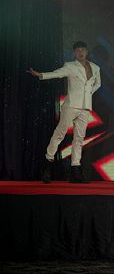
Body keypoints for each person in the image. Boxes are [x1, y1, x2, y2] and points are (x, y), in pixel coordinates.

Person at [28, 41, 101, 183]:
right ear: (74, 53)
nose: (80, 52)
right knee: (59, 134)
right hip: (71, 105)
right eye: (78, 50)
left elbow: (98, 83)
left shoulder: (95, 67)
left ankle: (75, 171)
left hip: (85, 107)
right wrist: (41, 75)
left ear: (86, 52)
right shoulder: (70, 66)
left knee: (79, 138)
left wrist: (88, 93)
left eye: (83, 50)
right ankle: (47, 163)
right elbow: (57, 74)